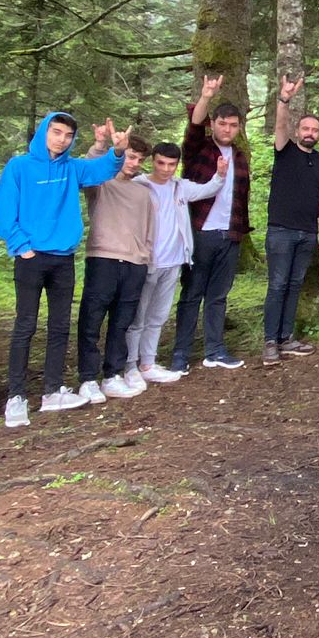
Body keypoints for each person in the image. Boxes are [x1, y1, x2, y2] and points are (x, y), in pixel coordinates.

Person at [0, 109, 122, 427]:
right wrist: (21, 247)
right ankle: (16, 397)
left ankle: (52, 391)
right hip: (31, 258)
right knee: (25, 325)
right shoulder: (20, 167)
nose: (61, 140)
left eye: (67, 135)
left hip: (63, 257)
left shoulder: (72, 168)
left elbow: (102, 169)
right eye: (56, 132)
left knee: (60, 326)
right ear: (44, 132)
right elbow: (5, 210)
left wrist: (117, 151)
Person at [126, 142, 224, 382]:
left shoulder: (180, 187)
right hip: (145, 261)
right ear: (153, 161)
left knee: (158, 316)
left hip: (173, 261)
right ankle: (129, 366)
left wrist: (220, 175)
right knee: (138, 316)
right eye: (161, 163)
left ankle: (147, 363)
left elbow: (207, 190)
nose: (166, 169)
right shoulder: (139, 186)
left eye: (171, 164)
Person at [172, 78, 250, 370]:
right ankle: (181, 354)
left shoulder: (240, 158)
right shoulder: (199, 150)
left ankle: (215, 350)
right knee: (192, 294)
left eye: (232, 125)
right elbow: (193, 127)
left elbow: (240, 198)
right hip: (200, 233)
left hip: (230, 235)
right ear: (213, 124)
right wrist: (206, 96)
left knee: (218, 296)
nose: (227, 129)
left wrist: (239, 234)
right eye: (222, 124)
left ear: (239, 127)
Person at [76, 132, 155, 402]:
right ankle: (88, 378)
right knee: (92, 320)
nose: (135, 163)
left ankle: (113, 375)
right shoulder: (101, 184)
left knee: (121, 323)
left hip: (135, 263)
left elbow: (148, 230)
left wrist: (145, 257)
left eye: (140, 159)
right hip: (104, 259)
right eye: (131, 157)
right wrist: (101, 145)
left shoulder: (143, 192)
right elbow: (90, 166)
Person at [262, 78, 319, 362]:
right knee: (277, 284)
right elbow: (279, 126)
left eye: (315, 130)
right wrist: (284, 99)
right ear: (297, 131)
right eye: (305, 128)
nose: (310, 133)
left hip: (307, 233)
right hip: (280, 231)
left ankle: (286, 337)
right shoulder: (285, 150)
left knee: (294, 284)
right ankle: (270, 341)